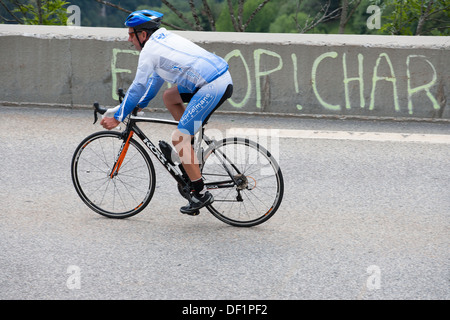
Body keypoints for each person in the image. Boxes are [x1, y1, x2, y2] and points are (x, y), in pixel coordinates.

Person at [100, 10, 233, 216]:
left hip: (212, 86)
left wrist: (118, 118)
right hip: (217, 78)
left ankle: (200, 192)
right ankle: (189, 155)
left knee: (178, 137)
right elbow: (155, 80)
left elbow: (137, 87)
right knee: (170, 97)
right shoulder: (163, 38)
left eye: (131, 34)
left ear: (142, 35)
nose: (128, 38)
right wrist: (139, 105)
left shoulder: (149, 52)